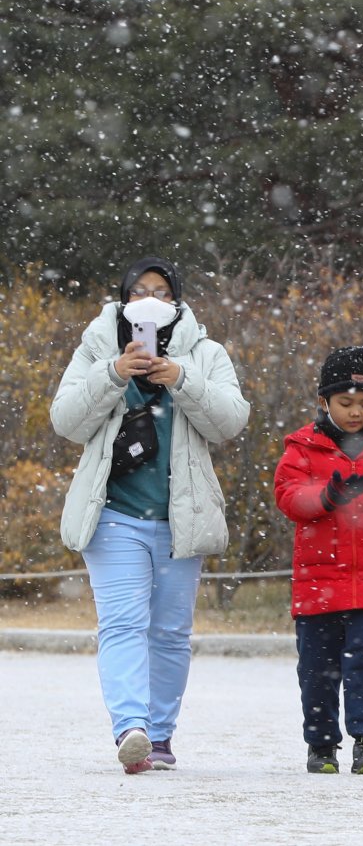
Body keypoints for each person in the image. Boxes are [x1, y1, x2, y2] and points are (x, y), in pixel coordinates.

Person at [50, 255, 250, 775]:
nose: (149, 300)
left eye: (160, 291)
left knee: (168, 632)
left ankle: (158, 735)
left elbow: (230, 420)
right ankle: (130, 727)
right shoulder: (96, 347)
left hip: (180, 519)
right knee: (121, 624)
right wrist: (112, 374)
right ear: (122, 300)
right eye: (138, 291)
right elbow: (66, 421)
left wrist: (182, 379)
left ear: (177, 301)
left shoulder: (206, 353)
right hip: (113, 513)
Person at [274, 345, 363, 777]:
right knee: (317, 668)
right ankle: (321, 745)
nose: (356, 412)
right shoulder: (301, 448)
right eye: (346, 403)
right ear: (324, 402)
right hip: (319, 582)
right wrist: (326, 497)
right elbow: (288, 496)